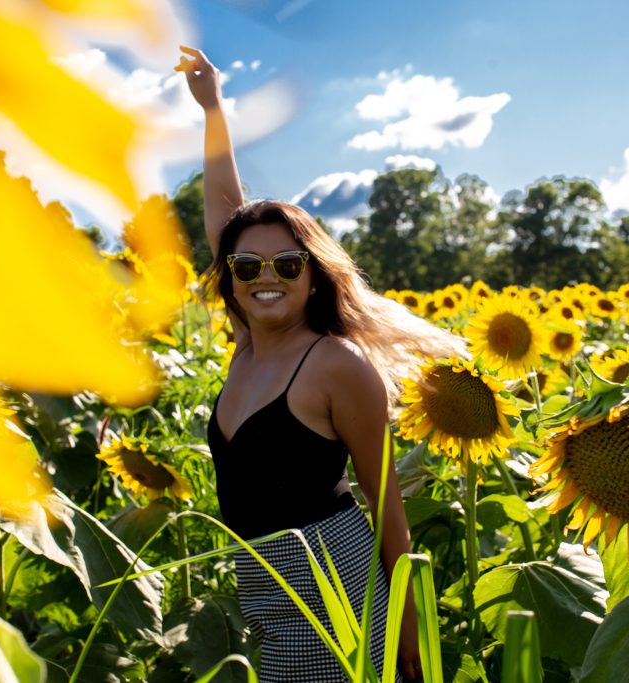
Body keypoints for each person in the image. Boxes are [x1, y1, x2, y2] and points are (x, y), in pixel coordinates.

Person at [176, 46, 463, 682]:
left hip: (331, 589)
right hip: (263, 583)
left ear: (314, 276)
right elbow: (226, 215)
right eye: (248, 267)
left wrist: (409, 638)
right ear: (232, 279)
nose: (265, 277)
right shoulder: (247, 348)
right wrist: (214, 110)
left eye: (287, 264)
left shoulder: (335, 364)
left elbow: (386, 505)